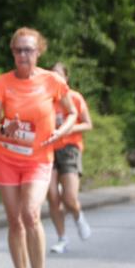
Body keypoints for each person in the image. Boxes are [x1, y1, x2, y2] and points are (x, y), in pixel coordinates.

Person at [0, 28, 76, 268]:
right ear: (12, 52)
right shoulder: (2, 82)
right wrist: (5, 127)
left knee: (30, 214)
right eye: (18, 50)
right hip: (8, 159)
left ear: (39, 52)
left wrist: (62, 132)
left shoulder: (52, 81)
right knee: (14, 221)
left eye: (29, 50)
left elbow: (72, 112)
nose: (23, 55)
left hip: (38, 160)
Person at [46, 62, 93, 254]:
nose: (55, 79)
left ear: (66, 78)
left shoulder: (74, 97)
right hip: (48, 149)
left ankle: (78, 215)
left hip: (69, 148)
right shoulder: (45, 99)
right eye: (52, 75)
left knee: (69, 197)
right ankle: (62, 238)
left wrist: (69, 128)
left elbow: (88, 124)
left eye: (59, 75)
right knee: (52, 196)